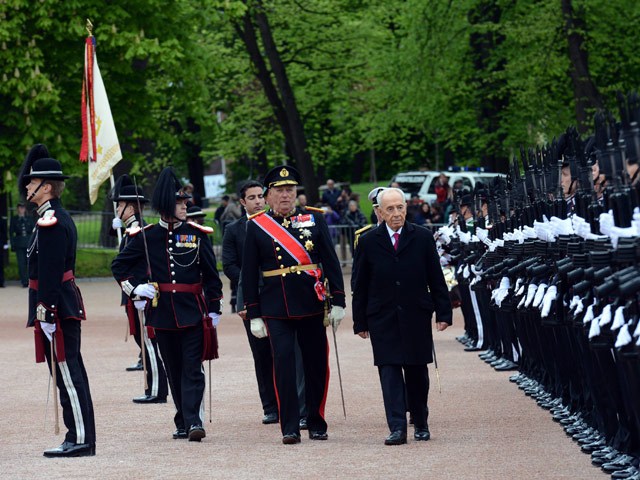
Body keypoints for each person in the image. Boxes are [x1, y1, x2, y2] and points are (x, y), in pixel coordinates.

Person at [111, 167, 223, 442]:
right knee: (173, 369)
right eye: (179, 202)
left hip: (193, 311)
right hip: (161, 313)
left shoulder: (197, 234)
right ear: (165, 206)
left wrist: (215, 306)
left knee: (191, 368)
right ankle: (182, 419)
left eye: (185, 201)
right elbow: (119, 266)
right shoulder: (146, 237)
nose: (185, 206)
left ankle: (194, 420)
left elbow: (210, 274)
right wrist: (135, 288)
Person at [242, 165, 346, 445]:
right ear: (269, 195)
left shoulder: (314, 219)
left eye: (290, 190)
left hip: (311, 303)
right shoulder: (257, 225)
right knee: (284, 365)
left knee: (315, 365)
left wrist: (338, 300)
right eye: (279, 190)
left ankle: (316, 421)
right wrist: (254, 314)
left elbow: (330, 262)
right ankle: (289, 425)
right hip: (276, 308)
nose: (286, 195)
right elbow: (249, 273)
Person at [352, 187, 452, 446]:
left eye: (400, 208)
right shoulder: (368, 241)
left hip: (415, 313)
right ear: (380, 212)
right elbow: (360, 284)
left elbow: (436, 277)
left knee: (417, 371)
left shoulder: (422, 237)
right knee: (389, 370)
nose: (396, 214)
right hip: (381, 315)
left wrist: (444, 311)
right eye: (390, 209)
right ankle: (397, 427)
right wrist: (359, 320)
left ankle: (420, 421)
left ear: (406, 208)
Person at [19, 144, 96, 457]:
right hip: (60, 305)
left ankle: (79, 438)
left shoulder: (51, 220)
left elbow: (51, 273)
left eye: (32, 181)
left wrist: (46, 312)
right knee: (68, 372)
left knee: (67, 374)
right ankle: (78, 435)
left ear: (46, 187)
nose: (26, 185)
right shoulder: (50, 216)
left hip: (57, 307)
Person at [222, 180, 279, 425]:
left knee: (286, 351)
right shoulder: (234, 230)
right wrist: (251, 282)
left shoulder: (276, 223)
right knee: (262, 354)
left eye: (260, 196)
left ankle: (294, 401)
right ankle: (270, 407)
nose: (258, 201)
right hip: (250, 297)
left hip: (278, 294)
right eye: (252, 197)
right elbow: (229, 265)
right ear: (242, 202)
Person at [109, 175, 168, 404]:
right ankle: (153, 385)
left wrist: (138, 289)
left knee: (149, 342)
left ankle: (156, 389)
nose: (117, 210)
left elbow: (144, 264)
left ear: (131, 206)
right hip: (134, 293)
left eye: (120, 206)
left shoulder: (140, 230)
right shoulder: (130, 230)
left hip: (142, 294)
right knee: (142, 339)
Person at [10, 202, 35, 287]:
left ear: (25, 209)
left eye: (23, 208)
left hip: (28, 242)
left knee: (29, 262)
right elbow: (11, 233)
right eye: (20, 208)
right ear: (17, 209)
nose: (21, 209)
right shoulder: (14, 219)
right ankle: (24, 281)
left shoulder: (29, 218)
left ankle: (30, 280)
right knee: (21, 263)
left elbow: (33, 231)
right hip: (19, 243)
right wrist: (12, 244)